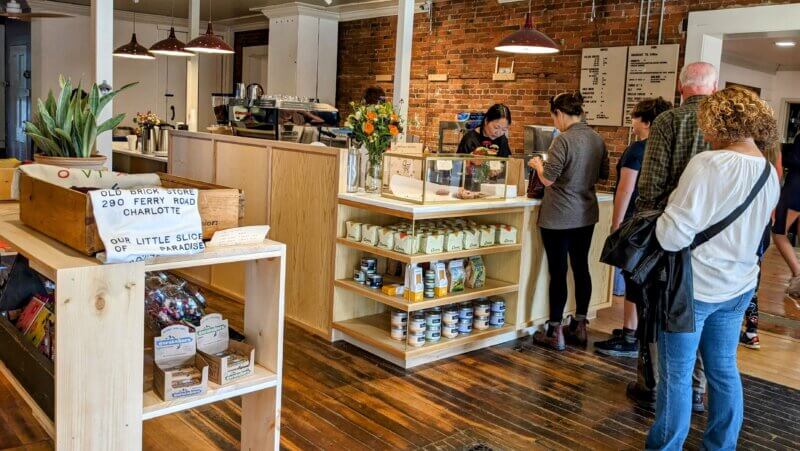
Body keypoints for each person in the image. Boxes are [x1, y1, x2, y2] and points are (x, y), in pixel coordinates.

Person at [645, 86, 780, 450]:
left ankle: (665, 446)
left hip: (694, 288)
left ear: (719, 122)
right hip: (740, 286)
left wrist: (666, 211)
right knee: (723, 369)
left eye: (706, 122)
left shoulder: (708, 164)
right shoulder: (769, 172)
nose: (703, 130)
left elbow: (672, 236)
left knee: (676, 374)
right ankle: (721, 446)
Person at [627, 62, 717, 412]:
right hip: (713, 237)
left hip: (671, 233)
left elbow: (648, 188)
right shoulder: (725, 128)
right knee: (701, 313)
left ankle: (651, 384)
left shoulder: (668, 121)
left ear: (681, 89)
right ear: (713, 88)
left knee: (657, 311)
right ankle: (696, 388)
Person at [530, 91, 609, 351]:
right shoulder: (597, 138)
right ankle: (580, 326)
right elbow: (604, 174)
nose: (555, 122)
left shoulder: (562, 140)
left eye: (554, 117)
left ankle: (554, 331)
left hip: (559, 216)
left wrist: (538, 165)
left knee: (559, 271)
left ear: (560, 114)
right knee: (581, 267)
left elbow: (548, 179)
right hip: (586, 214)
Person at [595, 97, 672, 358]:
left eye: (635, 119)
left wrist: (616, 224)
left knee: (632, 277)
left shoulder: (637, 150)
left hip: (634, 221)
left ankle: (629, 335)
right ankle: (637, 331)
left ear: (646, 121)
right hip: (657, 222)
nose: (633, 124)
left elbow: (626, 189)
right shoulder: (667, 148)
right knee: (646, 278)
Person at [772, 133, 800, 302]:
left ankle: (797, 274)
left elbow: (796, 160)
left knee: (779, 234)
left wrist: (780, 151)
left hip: (795, 190)